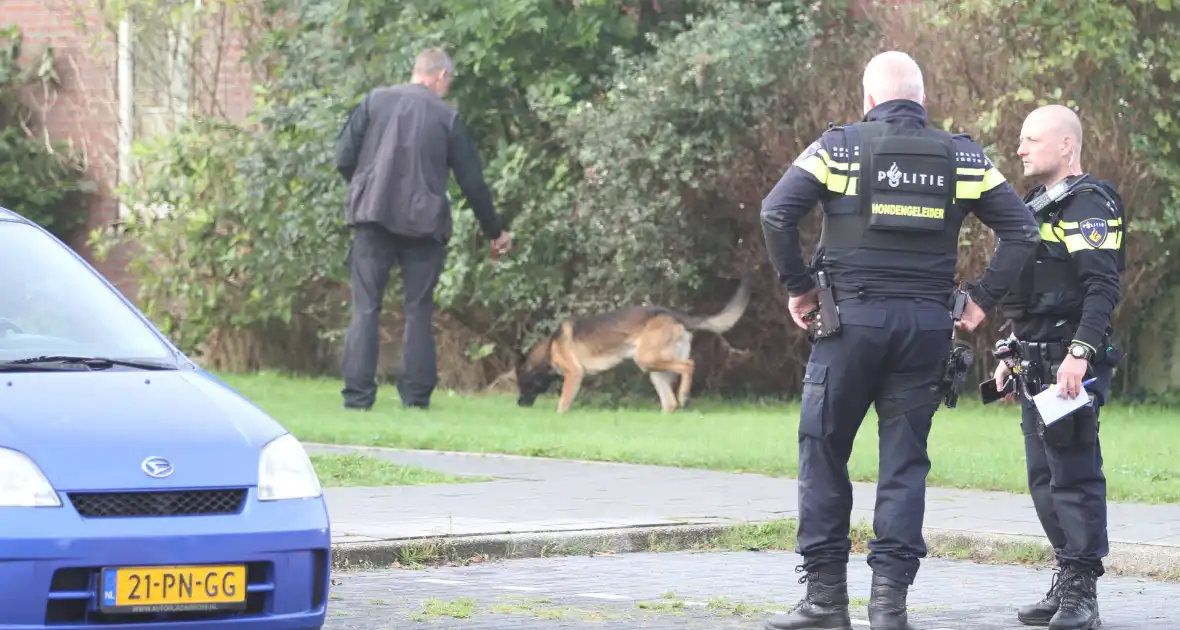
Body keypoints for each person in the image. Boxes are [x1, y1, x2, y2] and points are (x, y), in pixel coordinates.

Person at [758, 50, 1041, 630]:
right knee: (905, 464)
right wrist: (981, 299)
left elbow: (775, 214)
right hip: (924, 331)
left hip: (848, 328)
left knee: (824, 451)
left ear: (867, 101)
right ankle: (889, 608)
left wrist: (800, 288)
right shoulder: (961, 155)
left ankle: (824, 602)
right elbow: (1022, 228)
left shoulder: (838, 147)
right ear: (923, 102)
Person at [992, 104, 1124, 630]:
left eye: (1032, 139)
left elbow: (1102, 288)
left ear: (1066, 146)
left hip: (1070, 366)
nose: (1021, 148)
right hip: (1035, 364)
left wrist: (1080, 352)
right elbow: (1027, 294)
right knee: (1044, 480)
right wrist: (1009, 349)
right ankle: (1067, 577)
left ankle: (1082, 595)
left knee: (1073, 475)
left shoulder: (1089, 206)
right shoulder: (1035, 205)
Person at [334, 47, 512, 411]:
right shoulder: (447, 117)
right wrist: (495, 231)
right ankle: (415, 399)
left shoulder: (374, 101)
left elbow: (342, 157)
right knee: (418, 309)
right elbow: (472, 182)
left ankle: (357, 398)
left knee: (365, 307)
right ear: (441, 77)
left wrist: (365, 187)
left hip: (372, 218)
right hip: (424, 225)